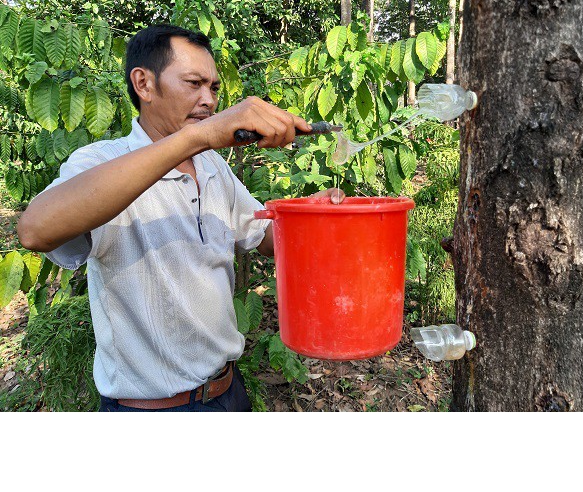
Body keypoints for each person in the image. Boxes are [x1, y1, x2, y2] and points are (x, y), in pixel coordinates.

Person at [17, 24, 345, 412]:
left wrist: (309, 213)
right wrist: (199, 137)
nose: (208, 100)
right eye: (193, 83)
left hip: (227, 391)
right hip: (150, 409)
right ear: (144, 84)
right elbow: (35, 230)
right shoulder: (100, 162)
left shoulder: (212, 169)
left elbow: (265, 236)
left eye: (215, 88)